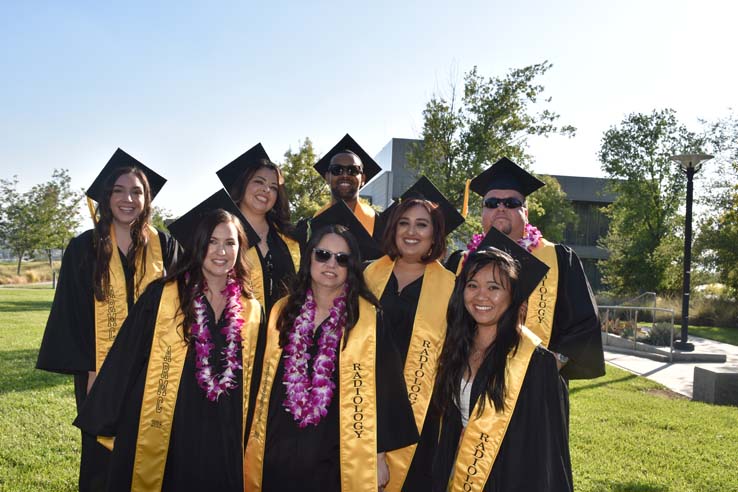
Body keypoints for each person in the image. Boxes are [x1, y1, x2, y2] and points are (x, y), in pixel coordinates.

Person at [74, 193, 263, 492]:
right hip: (170, 424)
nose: (221, 251)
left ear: (240, 249)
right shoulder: (163, 296)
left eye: (230, 243)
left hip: (223, 428)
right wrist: (106, 411)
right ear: (198, 245)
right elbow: (127, 358)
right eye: (212, 241)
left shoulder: (251, 309)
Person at [36, 148, 177, 491]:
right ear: (106, 197)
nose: (128, 199)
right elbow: (72, 314)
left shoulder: (166, 245)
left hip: (154, 368)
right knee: (103, 456)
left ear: (147, 199)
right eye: (119, 190)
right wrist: (90, 371)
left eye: (136, 191)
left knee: (152, 448)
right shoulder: (84, 248)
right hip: (99, 369)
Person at [244, 224, 418, 492]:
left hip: (336, 452)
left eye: (342, 258)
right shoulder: (283, 311)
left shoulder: (367, 318)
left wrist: (378, 456)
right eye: (323, 254)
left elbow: (388, 389)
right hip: (279, 446)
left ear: (351, 267)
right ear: (309, 257)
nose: (331, 264)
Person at [445, 157, 605, 380]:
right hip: (466, 382)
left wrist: (549, 368)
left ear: (526, 213)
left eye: (511, 203)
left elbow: (584, 325)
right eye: (491, 203)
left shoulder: (558, 259)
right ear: (482, 212)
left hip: (536, 389)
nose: (500, 209)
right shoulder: (460, 263)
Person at [432, 247, 572, 491]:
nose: (481, 296)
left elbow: (548, 452)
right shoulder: (456, 348)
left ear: (513, 297)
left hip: (511, 478)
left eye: (494, 287)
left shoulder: (536, 363)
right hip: (459, 470)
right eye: (472, 285)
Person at [363, 176, 464, 491]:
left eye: (422, 225)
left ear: (435, 234)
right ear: (393, 228)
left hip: (423, 409)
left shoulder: (451, 285)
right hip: (366, 397)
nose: (411, 231)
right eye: (404, 222)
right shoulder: (368, 274)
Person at [217, 143, 300, 315]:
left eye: (274, 187)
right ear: (243, 184)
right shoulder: (218, 233)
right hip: (233, 333)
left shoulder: (289, 240)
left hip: (282, 334)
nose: (266, 189)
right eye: (259, 181)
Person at [310, 133, 382, 236]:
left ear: (363, 178)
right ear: (327, 177)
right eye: (337, 170)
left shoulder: (378, 223)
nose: (345, 175)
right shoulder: (315, 222)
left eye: (353, 170)